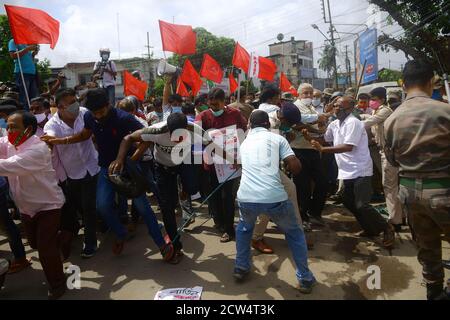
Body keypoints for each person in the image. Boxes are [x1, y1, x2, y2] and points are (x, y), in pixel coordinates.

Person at [43, 88, 174, 260]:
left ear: (109, 105)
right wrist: (61, 141)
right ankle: (120, 234)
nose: (98, 116)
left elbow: (148, 139)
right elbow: (85, 134)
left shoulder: (124, 118)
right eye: (94, 112)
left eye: (101, 111)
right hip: (105, 168)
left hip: (128, 170)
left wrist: (133, 159)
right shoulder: (89, 116)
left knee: (143, 208)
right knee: (102, 206)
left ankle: (161, 243)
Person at [384, 60, 450, 300]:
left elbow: (391, 160)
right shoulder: (445, 111)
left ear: (403, 84)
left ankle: (433, 292)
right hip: (443, 190)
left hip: (410, 193)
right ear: (431, 81)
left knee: (428, 248)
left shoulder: (391, 119)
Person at [234, 110, 316, 294]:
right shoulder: (278, 139)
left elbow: (241, 165)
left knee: (244, 229)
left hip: (246, 197)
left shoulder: (244, 143)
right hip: (275, 198)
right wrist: (291, 162)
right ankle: (305, 278)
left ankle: (241, 267)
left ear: (249, 125)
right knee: (294, 233)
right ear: (268, 125)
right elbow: (294, 168)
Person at [110, 113, 205, 264]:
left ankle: (186, 190)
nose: (176, 140)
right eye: (173, 135)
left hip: (185, 163)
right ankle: (176, 246)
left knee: (193, 188)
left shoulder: (196, 131)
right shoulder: (156, 131)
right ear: (167, 129)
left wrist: (235, 161)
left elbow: (215, 147)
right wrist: (120, 159)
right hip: (163, 168)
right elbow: (128, 138)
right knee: (167, 208)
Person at [305, 96, 395, 248]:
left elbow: (348, 147)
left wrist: (323, 149)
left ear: (350, 109)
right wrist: (309, 137)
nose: (337, 109)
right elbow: (325, 139)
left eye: (341, 107)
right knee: (348, 201)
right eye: (336, 106)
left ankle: (387, 228)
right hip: (346, 170)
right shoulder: (334, 123)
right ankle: (370, 228)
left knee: (362, 204)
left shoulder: (354, 123)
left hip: (360, 169)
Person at [0, 111, 66, 299]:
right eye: (8, 126)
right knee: (36, 243)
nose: (9, 130)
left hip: (48, 206)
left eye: (14, 127)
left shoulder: (38, 149)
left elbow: (6, 166)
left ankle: (58, 285)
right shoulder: (10, 143)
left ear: (28, 129)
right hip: (26, 208)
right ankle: (59, 239)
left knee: (45, 250)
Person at [43, 88, 100, 259]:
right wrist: (48, 145)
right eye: (70, 103)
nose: (75, 106)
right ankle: (99, 225)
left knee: (89, 206)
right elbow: (49, 139)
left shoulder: (85, 113)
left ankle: (90, 243)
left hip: (93, 165)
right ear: (59, 107)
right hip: (73, 173)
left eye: (75, 101)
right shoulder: (51, 125)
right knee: (82, 207)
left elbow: (89, 134)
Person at [195, 88, 247, 243]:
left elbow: (244, 132)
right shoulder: (202, 116)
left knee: (228, 197)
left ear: (224, 101)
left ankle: (229, 229)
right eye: (211, 105)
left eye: (217, 105)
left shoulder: (235, 114)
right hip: (210, 164)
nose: (214, 108)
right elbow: (197, 139)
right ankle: (219, 222)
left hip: (231, 164)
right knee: (214, 196)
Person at [361, 87, 403, 231]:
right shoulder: (376, 110)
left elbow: (368, 122)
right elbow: (367, 117)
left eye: (374, 99)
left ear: (382, 100)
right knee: (390, 185)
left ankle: (395, 221)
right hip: (381, 151)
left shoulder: (385, 110)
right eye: (370, 99)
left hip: (389, 152)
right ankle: (398, 215)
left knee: (389, 186)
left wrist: (352, 121)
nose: (371, 102)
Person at [292, 83, 328, 226]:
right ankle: (302, 217)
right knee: (303, 186)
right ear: (298, 94)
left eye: (310, 93)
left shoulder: (311, 107)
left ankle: (314, 212)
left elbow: (321, 124)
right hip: (299, 150)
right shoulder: (295, 107)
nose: (308, 96)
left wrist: (320, 125)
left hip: (313, 149)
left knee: (322, 182)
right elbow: (297, 122)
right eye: (305, 93)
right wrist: (317, 120)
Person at [8, 40, 39, 110]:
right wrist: (28, 49)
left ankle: (33, 117)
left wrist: (33, 53)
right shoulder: (13, 41)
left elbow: (29, 58)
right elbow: (13, 55)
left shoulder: (25, 43)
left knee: (34, 99)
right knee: (23, 99)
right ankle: (24, 118)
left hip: (31, 74)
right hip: (22, 73)